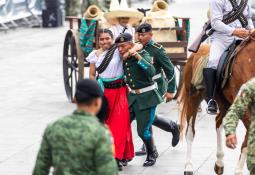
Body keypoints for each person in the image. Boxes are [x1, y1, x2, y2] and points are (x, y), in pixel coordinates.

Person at [33, 79, 118, 175]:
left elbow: (40, 169)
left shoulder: (54, 127)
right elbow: (108, 171)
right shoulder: (101, 133)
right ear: (98, 102)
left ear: (75, 99)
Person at [87, 29, 141, 170]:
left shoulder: (118, 50)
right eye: (102, 39)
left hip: (120, 92)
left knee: (120, 124)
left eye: (108, 38)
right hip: (104, 92)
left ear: (113, 38)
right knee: (106, 125)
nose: (105, 41)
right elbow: (92, 75)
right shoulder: (94, 55)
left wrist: (130, 52)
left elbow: (138, 45)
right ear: (98, 41)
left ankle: (116, 157)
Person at [115, 33, 163, 167]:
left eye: (123, 46)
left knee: (143, 131)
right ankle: (123, 156)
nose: (120, 49)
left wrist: (136, 55)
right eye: (118, 47)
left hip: (147, 97)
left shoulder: (143, 54)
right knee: (123, 127)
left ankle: (152, 152)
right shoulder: (122, 57)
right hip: (132, 98)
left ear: (130, 45)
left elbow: (151, 71)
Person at [135, 23, 180, 156]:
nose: (141, 37)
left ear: (150, 35)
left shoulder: (157, 50)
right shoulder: (136, 47)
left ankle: (149, 147)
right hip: (142, 86)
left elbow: (170, 70)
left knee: (146, 114)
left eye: (144, 34)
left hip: (156, 86)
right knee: (146, 115)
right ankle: (172, 126)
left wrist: (171, 90)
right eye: (139, 34)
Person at [204, 0, 254, 114]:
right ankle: (211, 99)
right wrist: (233, 31)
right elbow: (215, 22)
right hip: (222, 39)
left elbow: (248, 18)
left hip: (243, 37)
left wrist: (251, 29)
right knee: (213, 61)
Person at [223, 77, 255, 175]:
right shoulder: (252, 85)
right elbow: (235, 110)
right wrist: (230, 131)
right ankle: (211, 97)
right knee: (211, 67)